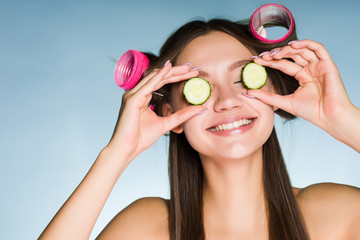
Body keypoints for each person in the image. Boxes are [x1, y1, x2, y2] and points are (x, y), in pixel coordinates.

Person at [40, 16, 360, 240]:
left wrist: (343, 119)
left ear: (275, 94)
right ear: (170, 113)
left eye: (243, 78)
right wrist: (116, 154)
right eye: (201, 88)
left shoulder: (336, 214)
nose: (227, 101)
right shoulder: (148, 227)